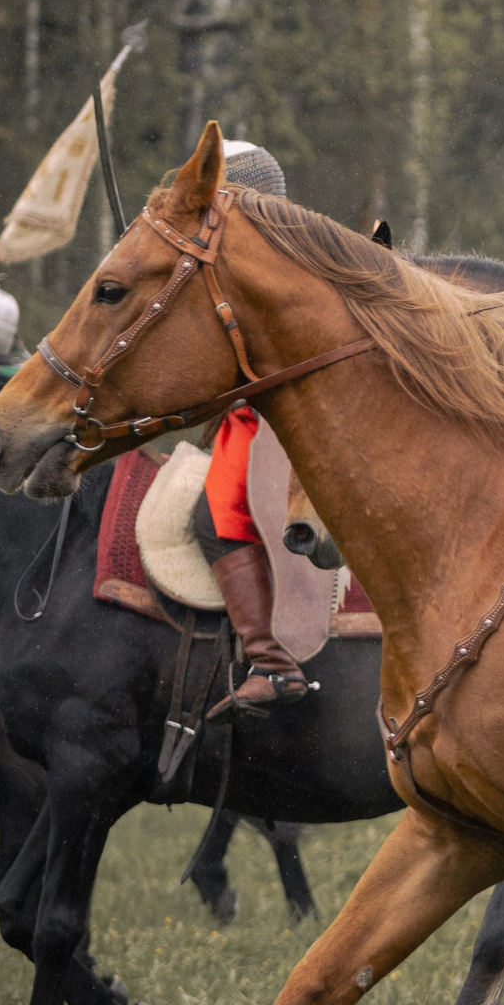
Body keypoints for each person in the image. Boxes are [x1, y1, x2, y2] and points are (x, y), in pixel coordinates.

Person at [196, 139, 311, 716]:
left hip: (282, 420)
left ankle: (272, 660)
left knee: (214, 512)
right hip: (254, 416)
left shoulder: (263, 263)